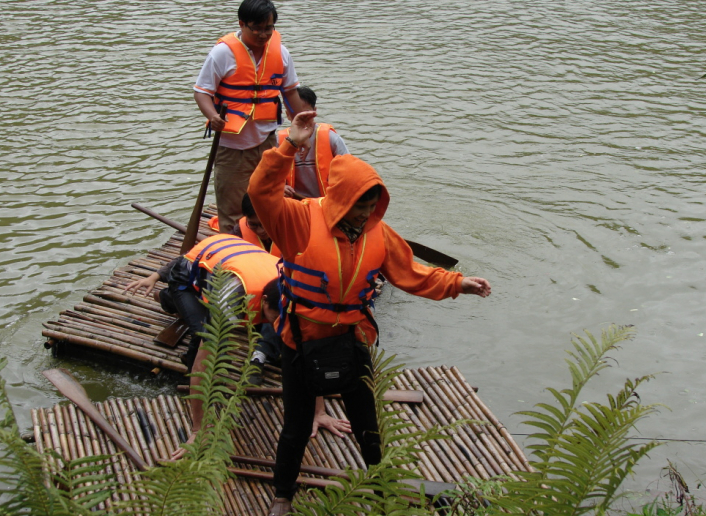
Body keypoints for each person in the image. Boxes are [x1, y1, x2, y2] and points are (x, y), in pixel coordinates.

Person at [247, 111, 492, 516]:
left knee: (368, 425)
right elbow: (261, 191)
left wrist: (457, 284)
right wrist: (289, 144)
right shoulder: (298, 220)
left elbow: (412, 273)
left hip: (353, 340)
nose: (364, 215)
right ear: (341, 199)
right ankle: (282, 496)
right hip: (300, 339)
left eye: (372, 206)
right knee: (295, 427)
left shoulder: (380, 232)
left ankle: (381, 492)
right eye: (359, 207)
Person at [124, 234, 349, 457]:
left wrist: (318, 413)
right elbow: (204, 364)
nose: (280, 323)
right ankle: (168, 298)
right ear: (262, 301)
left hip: (230, 259)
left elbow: (308, 354)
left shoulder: (295, 293)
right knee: (203, 334)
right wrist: (198, 430)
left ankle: (168, 300)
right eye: (275, 316)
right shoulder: (233, 297)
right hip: (187, 276)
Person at [194, 0, 306, 234]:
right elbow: (201, 92)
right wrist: (212, 115)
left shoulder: (281, 53)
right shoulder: (223, 54)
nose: (263, 35)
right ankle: (233, 259)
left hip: (266, 141)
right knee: (233, 210)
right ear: (242, 24)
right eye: (256, 29)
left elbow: (291, 92)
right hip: (232, 145)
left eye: (268, 28)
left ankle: (269, 254)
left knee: (270, 200)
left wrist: (305, 120)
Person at [276, 86, 349, 199]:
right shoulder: (279, 141)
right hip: (294, 203)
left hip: (326, 202)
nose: (301, 118)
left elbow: (349, 170)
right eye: (296, 114)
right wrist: (279, 187)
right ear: (287, 114)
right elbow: (265, 175)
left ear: (314, 111)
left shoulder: (331, 138)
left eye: (306, 113)